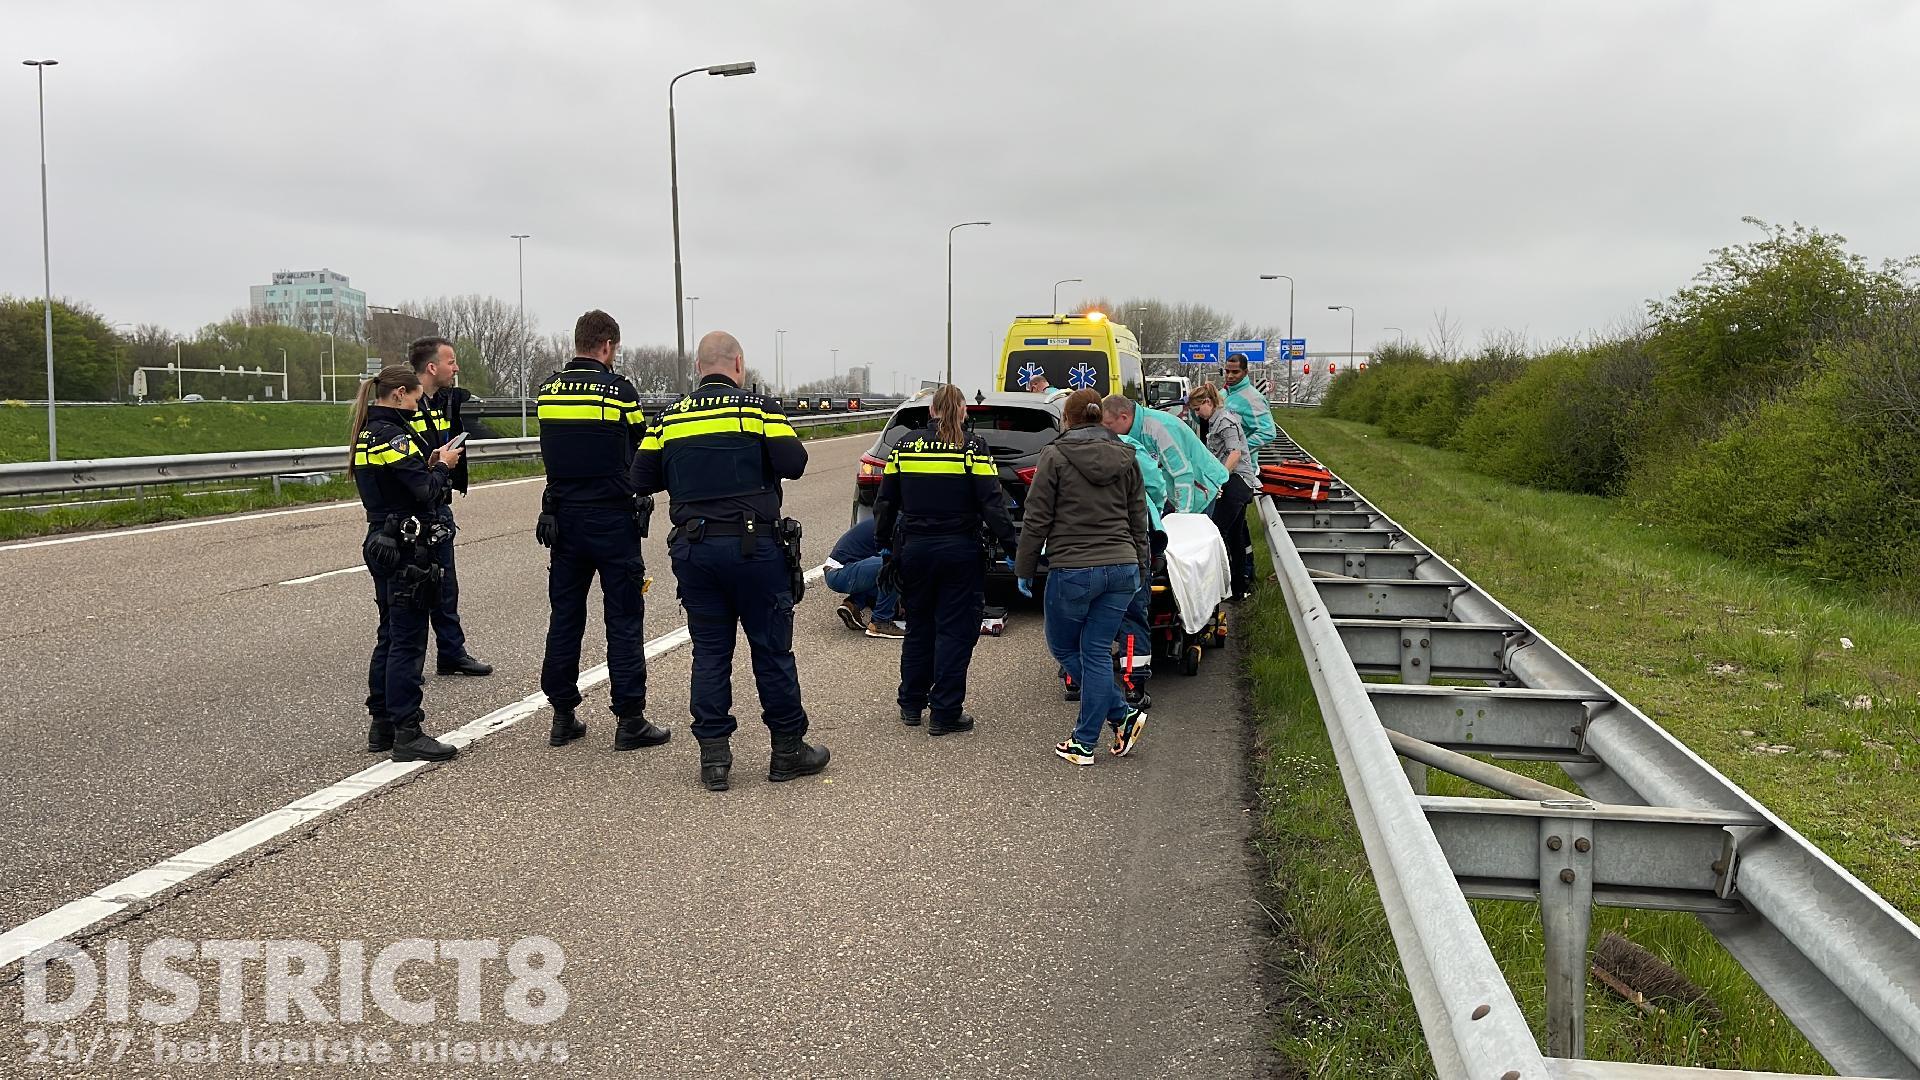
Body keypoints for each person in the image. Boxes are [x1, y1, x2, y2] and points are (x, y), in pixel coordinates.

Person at [632, 330, 826, 791]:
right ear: (738, 365)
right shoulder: (758, 411)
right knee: (771, 649)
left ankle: (714, 759)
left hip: (696, 552)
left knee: (711, 653)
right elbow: (794, 462)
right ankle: (786, 751)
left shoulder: (669, 419)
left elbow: (640, 477)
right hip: (755, 550)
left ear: (700, 368)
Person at [532, 310, 668, 753]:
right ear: (607, 345)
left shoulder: (548, 391)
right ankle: (630, 720)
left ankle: (563, 715)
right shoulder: (618, 391)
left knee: (565, 616)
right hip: (612, 519)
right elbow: (642, 445)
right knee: (624, 618)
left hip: (564, 519)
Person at [1015, 388, 1151, 765]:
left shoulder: (1055, 455)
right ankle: (1095, 734)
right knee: (1094, 651)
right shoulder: (1128, 457)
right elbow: (1138, 518)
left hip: (1075, 568)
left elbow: (1037, 516)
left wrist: (1025, 568)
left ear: (1068, 419)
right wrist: (1140, 567)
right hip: (1122, 567)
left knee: (1065, 648)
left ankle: (1108, 725)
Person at [873, 384, 1018, 735]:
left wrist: (884, 543)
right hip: (959, 550)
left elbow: (886, 500)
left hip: (916, 549)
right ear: (963, 412)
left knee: (919, 626)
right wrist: (1014, 547)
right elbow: (992, 504)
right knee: (955, 631)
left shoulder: (905, 445)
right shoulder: (972, 448)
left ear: (931, 410)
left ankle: (910, 703)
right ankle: (945, 712)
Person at [349, 365, 462, 763]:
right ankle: (407, 732)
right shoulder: (393, 435)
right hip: (404, 546)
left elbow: (396, 482)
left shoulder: (367, 431)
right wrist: (443, 466)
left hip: (382, 537)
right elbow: (425, 492)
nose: (418, 404)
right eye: (414, 398)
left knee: (389, 633)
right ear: (398, 393)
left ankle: (381, 724)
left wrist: (426, 462)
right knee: (408, 641)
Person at [405, 336, 492, 678]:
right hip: (414, 509)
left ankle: (451, 653)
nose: (456, 368)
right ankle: (409, 665)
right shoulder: (406, 405)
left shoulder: (443, 401)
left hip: (439, 502)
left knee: (445, 585)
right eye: (450, 362)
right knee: (414, 589)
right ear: (431, 367)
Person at [1099, 393, 1228, 515]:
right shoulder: (1134, 429)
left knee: (1191, 535)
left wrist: (1183, 516)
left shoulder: (1158, 429)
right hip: (1177, 492)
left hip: (1201, 488)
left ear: (1123, 417)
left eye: (1109, 424)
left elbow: (1183, 473)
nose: (1105, 431)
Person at [1190, 382, 1260, 600]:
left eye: (1197, 409)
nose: (1196, 414)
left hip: (1237, 482)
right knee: (1235, 537)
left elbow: (1235, 453)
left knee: (1216, 533)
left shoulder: (1225, 421)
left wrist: (1219, 479)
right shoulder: (1216, 420)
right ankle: (1240, 587)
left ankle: (1212, 588)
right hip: (1238, 482)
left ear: (1208, 403)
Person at [823, 517, 904, 639]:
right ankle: (880, 622)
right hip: (841, 572)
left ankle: (854, 604)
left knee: (889, 580)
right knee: (895, 567)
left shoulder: (895, 519)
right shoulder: (900, 527)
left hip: (842, 571)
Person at [1222, 352, 1276, 456]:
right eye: (1227, 371)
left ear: (1245, 372)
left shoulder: (1254, 399)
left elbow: (1268, 432)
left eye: (1235, 372)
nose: (1230, 376)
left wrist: (1237, 451)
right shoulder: (1223, 393)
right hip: (1221, 463)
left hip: (1242, 468)